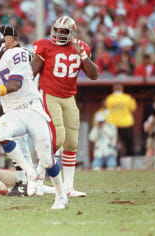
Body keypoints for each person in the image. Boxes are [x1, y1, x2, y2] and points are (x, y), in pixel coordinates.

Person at [0, 30, 67, 209]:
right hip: (13, 113)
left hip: (32, 109)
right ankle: (29, 172)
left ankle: (61, 195)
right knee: (1, 131)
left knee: (47, 159)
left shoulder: (16, 54)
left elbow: (15, 84)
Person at [31, 16, 99, 197]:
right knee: (57, 138)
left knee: (71, 143)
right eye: (57, 30)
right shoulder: (44, 46)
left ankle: (68, 187)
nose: (59, 34)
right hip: (49, 94)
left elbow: (94, 75)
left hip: (69, 97)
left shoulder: (81, 47)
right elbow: (31, 72)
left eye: (64, 31)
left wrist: (83, 56)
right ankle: (37, 179)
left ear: (72, 33)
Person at [0, 24, 32, 196]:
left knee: (19, 143)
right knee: (19, 143)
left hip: (24, 103)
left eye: (0, 40)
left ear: (9, 39)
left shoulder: (17, 53)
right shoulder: (20, 53)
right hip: (22, 103)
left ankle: (25, 180)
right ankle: (27, 180)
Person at [105, 84, 137, 167]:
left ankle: (116, 163)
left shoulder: (109, 98)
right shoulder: (127, 97)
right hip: (126, 123)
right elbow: (133, 108)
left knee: (114, 145)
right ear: (122, 89)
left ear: (113, 88)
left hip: (114, 125)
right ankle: (130, 164)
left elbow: (107, 109)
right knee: (128, 144)